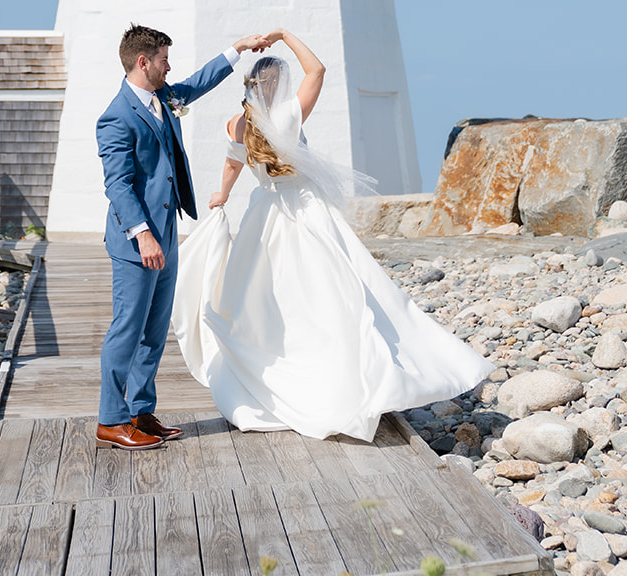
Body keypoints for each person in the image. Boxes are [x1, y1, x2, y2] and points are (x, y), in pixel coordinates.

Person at [171, 28, 492, 441]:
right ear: (280, 85)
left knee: (266, 300)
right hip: (304, 212)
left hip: (263, 214)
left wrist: (222, 194)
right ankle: (342, 375)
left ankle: (270, 378)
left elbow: (233, 164)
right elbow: (317, 68)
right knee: (330, 293)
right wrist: (285, 34)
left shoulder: (237, 123)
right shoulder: (288, 115)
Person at [95, 22, 269, 450]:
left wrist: (238, 48)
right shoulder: (115, 117)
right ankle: (110, 420)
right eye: (164, 60)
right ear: (143, 62)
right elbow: (118, 184)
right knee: (127, 328)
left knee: (155, 330)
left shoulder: (163, 98)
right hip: (138, 242)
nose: (169, 68)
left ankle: (140, 411)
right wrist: (143, 236)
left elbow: (198, 83)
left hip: (168, 232)